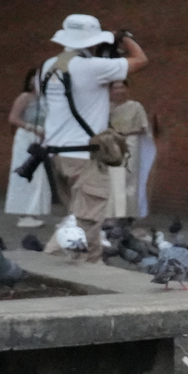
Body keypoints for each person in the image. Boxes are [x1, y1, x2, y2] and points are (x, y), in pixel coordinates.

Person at [37, 14, 149, 261]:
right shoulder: (92, 67)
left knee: (87, 220)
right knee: (83, 222)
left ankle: (93, 269)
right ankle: (46, 264)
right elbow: (141, 60)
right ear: (93, 40)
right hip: (84, 157)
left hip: (56, 155)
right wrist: (124, 39)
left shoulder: (47, 68)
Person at [4, 65, 52, 226]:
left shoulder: (46, 100)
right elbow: (13, 118)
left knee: (39, 176)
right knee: (26, 172)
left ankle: (33, 212)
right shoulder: (25, 97)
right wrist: (32, 128)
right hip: (26, 137)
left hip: (41, 139)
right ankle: (23, 214)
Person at [105, 77, 154, 221]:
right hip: (111, 144)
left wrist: (124, 133)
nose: (119, 91)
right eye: (115, 88)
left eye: (121, 87)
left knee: (129, 178)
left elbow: (143, 128)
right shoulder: (105, 108)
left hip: (131, 144)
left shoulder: (135, 107)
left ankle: (128, 214)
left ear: (127, 89)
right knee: (113, 178)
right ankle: (114, 213)